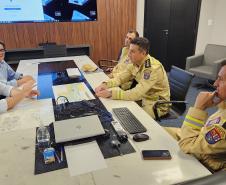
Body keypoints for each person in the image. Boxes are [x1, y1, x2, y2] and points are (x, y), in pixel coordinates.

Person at [165, 62, 226, 172]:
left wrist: (199, 108)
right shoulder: (223, 107)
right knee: (161, 132)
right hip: (199, 142)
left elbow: (187, 145)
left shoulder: (224, 127)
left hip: (205, 166)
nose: (215, 84)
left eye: (221, 79)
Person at [95, 37, 170, 118]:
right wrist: (105, 84)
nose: (128, 54)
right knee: (118, 109)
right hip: (144, 99)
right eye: (129, 50)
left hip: (157, 105)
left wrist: (110, 94)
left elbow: (136, 94)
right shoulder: (134, 62)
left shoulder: (152, 68)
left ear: (143, 53)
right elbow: (120, 78)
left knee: (128, 117)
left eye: (132, 51)